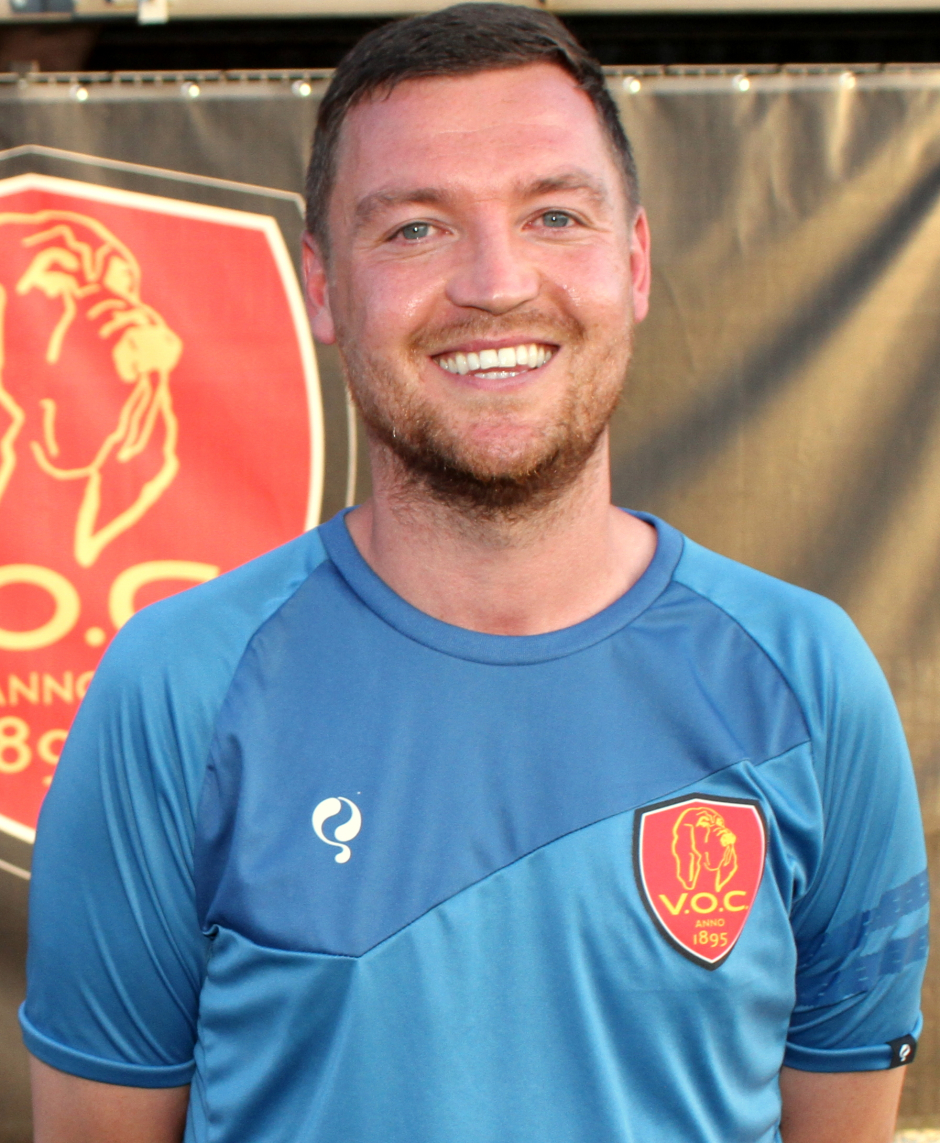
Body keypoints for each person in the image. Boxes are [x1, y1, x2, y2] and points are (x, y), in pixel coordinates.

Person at [21, 6, 928, 1142]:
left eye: (554, 215)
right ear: (321, 287)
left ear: (634, 262)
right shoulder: (176, 690)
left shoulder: (809, 679)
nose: (496, 282)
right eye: (415, 228)